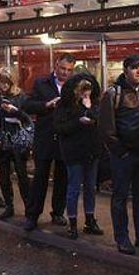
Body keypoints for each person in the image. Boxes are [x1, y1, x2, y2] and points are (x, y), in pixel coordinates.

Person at [99, 54, 139, 255]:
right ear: (125, 70)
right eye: (135, 68)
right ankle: (122, 238)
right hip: (125, 156)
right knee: (120, 196)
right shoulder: (113, 94)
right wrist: (121, 152)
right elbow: (106, 129)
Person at [22, 54, 75, 231]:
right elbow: (27, 105)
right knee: (40, 178)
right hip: (45, 137)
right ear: (56, 65)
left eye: (69, 70)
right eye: (63, 69)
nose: (65, 73)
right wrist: (46, 105)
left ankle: (58, 212)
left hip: (64, 138)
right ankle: (32, 215)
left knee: (62, 178)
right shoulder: (41, 82)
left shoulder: (74, 84)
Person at [55, 73, 103, 239]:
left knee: (90, 187)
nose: (86, 95)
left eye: (88, 92)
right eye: (83, 92)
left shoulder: (95, 103)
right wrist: (78, 121)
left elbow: (100, 120)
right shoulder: (64, 105)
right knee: (73, 187)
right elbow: (61, 128)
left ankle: (90, 220)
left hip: (91, 151)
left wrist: (89, 110)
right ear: (75, 91)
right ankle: (73, 223)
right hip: (73, 151)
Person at [0, 68, 32, 220]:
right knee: (4, 175)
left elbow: (26, 117)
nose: (4, 86)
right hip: (0, 138)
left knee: (22, 175)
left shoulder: (19, 95)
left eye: (8, 83)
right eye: (2, 82)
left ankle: (29, 208)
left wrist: (15, 111)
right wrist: (3, 120)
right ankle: (9, 206)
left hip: (17, 138)